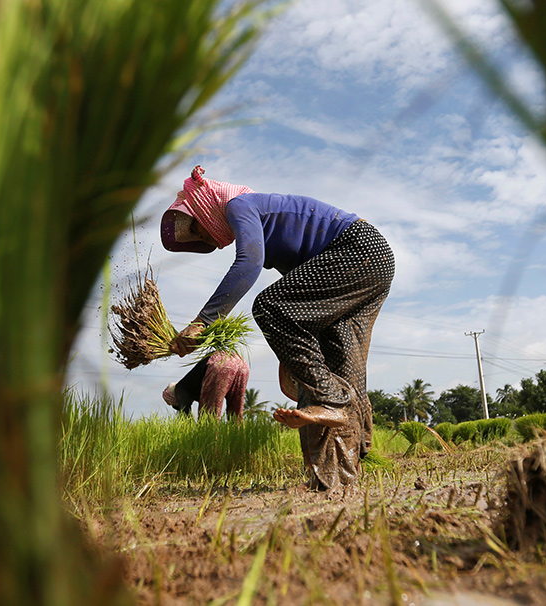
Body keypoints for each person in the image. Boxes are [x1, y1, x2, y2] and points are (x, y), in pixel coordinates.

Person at [161, 166, 394, 490]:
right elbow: (301, 299)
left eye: (197, 228)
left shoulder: (241, 206)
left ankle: (331, 398)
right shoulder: (258, 215)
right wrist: (295, 351)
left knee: (270, 306)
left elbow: (248, 264)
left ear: (205, 206)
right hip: (375, 258)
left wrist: (204, 322)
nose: (203, 236)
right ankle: (338, 478)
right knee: (340, 357)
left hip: (356, 248)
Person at [161, 350, 249, 420]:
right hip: (240, 362)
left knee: (208, 416)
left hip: (219, 363)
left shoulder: (180, 389)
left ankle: (210, 441)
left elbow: (186, 417)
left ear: (174, 397)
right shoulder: (189, 384)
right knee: (235, 414)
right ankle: (240, 438)